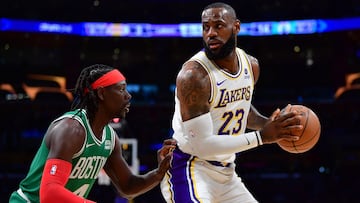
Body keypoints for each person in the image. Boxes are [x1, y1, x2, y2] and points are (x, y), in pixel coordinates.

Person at [160, 2, 303, 203]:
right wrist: (262, 136)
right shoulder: (194, 76)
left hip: (227, 173)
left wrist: (271, 125)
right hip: (190, 168)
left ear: (236, 27)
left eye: (218, 26)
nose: (210, 33)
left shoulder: (251, 65)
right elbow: (202, 145)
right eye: (205, 27)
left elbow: (241, 109)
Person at [9, 64, 176, 203]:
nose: (128, 95)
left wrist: (158, 174)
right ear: (102, 93)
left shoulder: (110, 138)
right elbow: (49, 193)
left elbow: (127, 187)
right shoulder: (71, 130)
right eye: (121, 89)